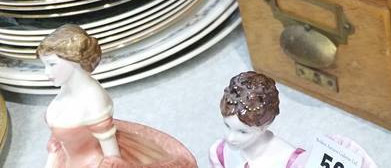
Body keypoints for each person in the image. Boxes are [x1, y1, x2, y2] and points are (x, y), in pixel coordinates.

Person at [38, 24, 196, 168]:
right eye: (45, 65)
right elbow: (59, 143)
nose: (46, 73)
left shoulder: (93, 99)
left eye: (52, 64)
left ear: (74, 62)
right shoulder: (66, 89)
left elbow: (111, 156)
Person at [209, 71, 306, 168]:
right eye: (227, 126)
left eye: (243, 132)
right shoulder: (219, 152)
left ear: (266, 125)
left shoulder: (291, 161)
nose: (230, 138)